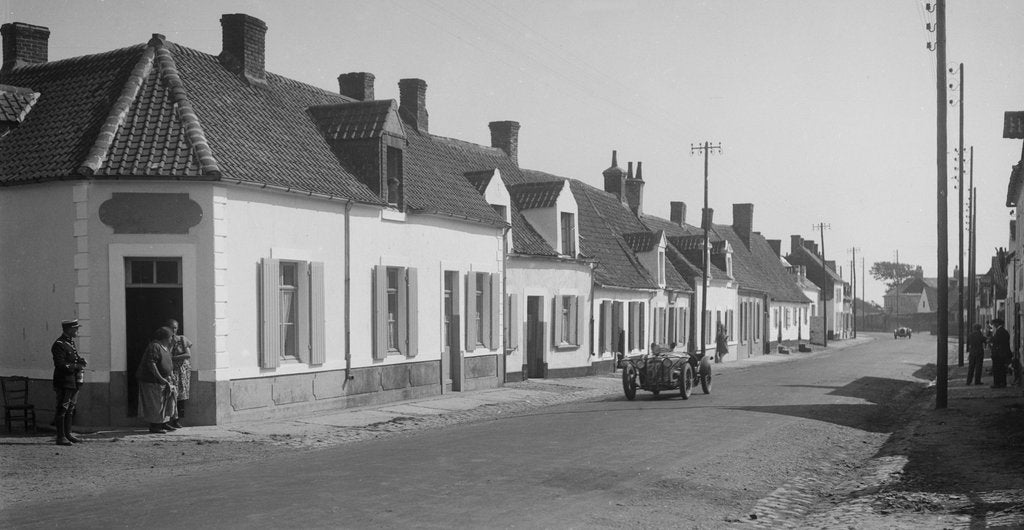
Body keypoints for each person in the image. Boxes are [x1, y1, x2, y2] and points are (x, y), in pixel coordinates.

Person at [52, 319, 87, 446]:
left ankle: (68, 434)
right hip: (64, 382)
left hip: (73, 382)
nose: (77, 331)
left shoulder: (70, 343)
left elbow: (73, 359)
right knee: (62, 408)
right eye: (75, 328)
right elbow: (61, 364)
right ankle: (60, 437)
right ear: (68, 330)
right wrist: (77, 366)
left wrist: (80, 361)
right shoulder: (59, 344)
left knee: (70, 409)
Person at [136, 327, 178, 433]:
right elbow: (151, 363)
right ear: (165, 337)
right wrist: (160, 377)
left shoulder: (166, 347)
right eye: (171, 336)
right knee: (155, 404)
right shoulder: (155, 346)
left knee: (164, 403)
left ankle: (163, 424)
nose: (172, 338)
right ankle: (155, 426)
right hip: (152, 381)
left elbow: (168, 362)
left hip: (164, 381)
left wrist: (171, 375)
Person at [166, 319, 193, 429]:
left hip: (182, 371)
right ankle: (169, 419)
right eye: (171, 327)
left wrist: (173, 358)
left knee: (181, 396)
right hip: (171, 370)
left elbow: (187, 355)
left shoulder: (182, 339)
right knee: (171, 394)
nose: (173, 330)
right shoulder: (166, 341)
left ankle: (177, 420)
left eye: (175, 328)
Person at [990, 318, 1011, 388]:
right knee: (1002, 369)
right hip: (1002, 353)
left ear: (997, 324)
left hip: (999, 353)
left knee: (997, 369)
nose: (993, 325)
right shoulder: (1003, 331)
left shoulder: (1000, 331)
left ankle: (998, 383)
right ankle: (1002, 382)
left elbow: (997, 341)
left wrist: (991, 339)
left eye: (994, 324)